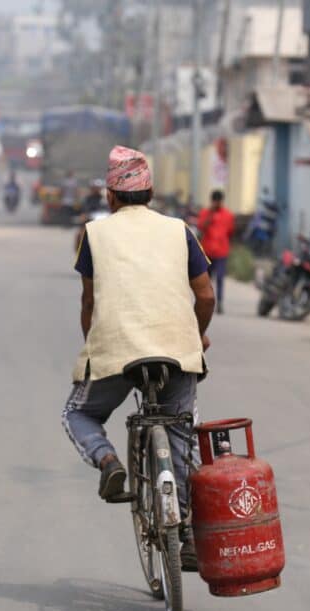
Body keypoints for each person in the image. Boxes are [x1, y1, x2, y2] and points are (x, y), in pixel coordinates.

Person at [62, 146, 215, 571]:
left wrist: (95, 348)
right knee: (182, 434)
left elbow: (89, 302)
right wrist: (197, 335)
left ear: (111, 196)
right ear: (151, 193)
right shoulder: (180, 231)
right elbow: (205, 295)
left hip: (117, 351)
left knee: (78, 414)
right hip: (177, 352)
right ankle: (185, 534)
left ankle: (108, 460)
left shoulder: (94, 234)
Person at [197, 189, 236, 314]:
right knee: (206, 280)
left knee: (220, 277)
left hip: (221, 252)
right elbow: (201, 227)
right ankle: (206, 301)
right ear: (212, 201)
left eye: (219, 201)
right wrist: (210, 215)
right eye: (215, 201)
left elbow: (230, 232)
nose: (217, 203)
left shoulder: (228, 215)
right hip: (207, 251)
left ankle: (219, 302)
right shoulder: (205, 213)